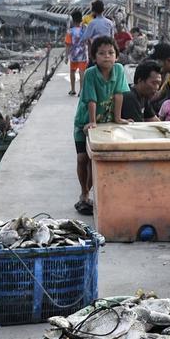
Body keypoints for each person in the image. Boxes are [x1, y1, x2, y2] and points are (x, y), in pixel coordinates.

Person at [72, 35, 131, 215]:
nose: (107, 56)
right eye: (102, 53)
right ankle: (83, 191)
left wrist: (118, 118)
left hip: (105, 120)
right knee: (82, 158)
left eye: (111, 53)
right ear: (94, 57)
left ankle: (89, 192)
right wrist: (92, 121)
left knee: (94, 160)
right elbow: (91, 99)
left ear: (116, 56)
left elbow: (119, 94)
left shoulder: (119, 69)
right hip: (84, 120)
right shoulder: (90, 73)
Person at [65, 11, 87, 96]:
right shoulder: (84, 29)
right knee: (82, 72)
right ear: (81, 19)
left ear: (72, 20)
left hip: (73, 55)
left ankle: (73, 89)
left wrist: (66, 57)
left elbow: (68, 45)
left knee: (72, 71)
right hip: (83, 54)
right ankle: (81, 90)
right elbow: (88, 40)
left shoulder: (70, 32)